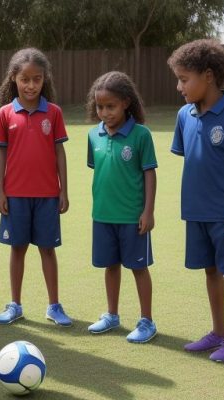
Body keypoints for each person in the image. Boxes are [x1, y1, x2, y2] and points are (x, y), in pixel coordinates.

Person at [169, 39, 224, 363]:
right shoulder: (184, 115)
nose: (179, 86)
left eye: (184, 79)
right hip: (195, 212)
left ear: (208, 76)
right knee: (210, 271)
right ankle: (218, 332)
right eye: (178, 79)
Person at [0, 48, 73, 327]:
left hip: (48, 195)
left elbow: (59, 152)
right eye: (25, 79)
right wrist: (1, 191)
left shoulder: (54, 112)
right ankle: (15, 305)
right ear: (14, 78)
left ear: (44, 79)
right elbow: (1, 153)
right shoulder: (5, 114)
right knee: (17, 249)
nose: (31, 85)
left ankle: (54, 306)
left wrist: (63, 189)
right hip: (15, 196)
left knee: (48, 250)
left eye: (36, 79)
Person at [84, 71, 158, 343]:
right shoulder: (94, 135)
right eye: (100, 107)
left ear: (126, 102)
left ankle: (147, 321)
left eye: (110, 106)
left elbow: (149, 174)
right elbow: (99, 171)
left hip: (132, 217)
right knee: (110, 266)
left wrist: (148, 211)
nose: (104, 113)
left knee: (138, 268)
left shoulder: (141, 136)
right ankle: (112, 315)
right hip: (103, 216)